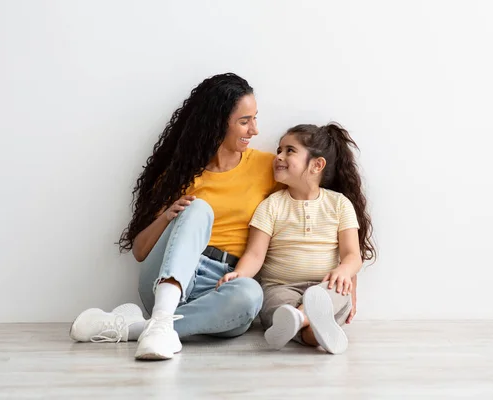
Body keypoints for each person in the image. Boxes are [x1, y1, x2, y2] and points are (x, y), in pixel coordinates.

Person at [69, 73, 277, 360]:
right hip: (168, 275)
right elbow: (141, 251)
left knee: (251, 295)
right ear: (218, 123)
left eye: (254, 118)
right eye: (245, 121)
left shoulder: (266, 167)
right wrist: (168, 216)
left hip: (222, 284)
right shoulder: (180, 175)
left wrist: (347, 273)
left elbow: (314, 191)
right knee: (198, 208)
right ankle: (163, 314)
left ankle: (136, 328)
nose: (254, 129)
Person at [216, 122, 376, 354]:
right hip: (280, 287)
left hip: (326, 287)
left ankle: (299, 321)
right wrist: (239, 275)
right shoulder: (271, 206)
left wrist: (344, 271)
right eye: (279, 150)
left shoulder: (339, 204)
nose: (279, 156)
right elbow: (255, 254)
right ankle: (312, 331)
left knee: (338, 291)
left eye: (289, 151)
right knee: (277, 306)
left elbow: (352, 255)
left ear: (317, 165)